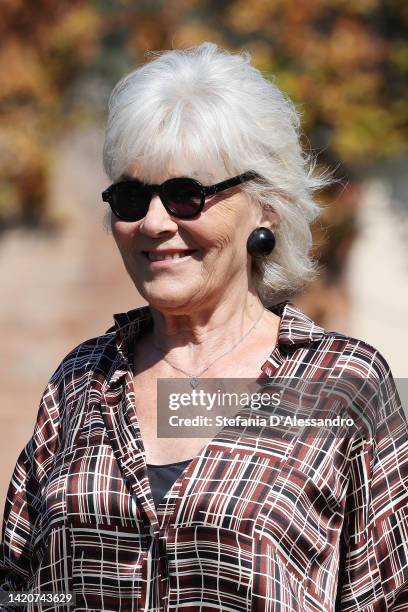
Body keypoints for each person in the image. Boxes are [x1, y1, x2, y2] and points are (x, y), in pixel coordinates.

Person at [1, 42, 407, 612]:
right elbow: (21, 591)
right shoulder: (79, 380)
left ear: (266, 206)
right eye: (132, 197)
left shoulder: (340, 385)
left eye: (187, 195)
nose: (155, 222)